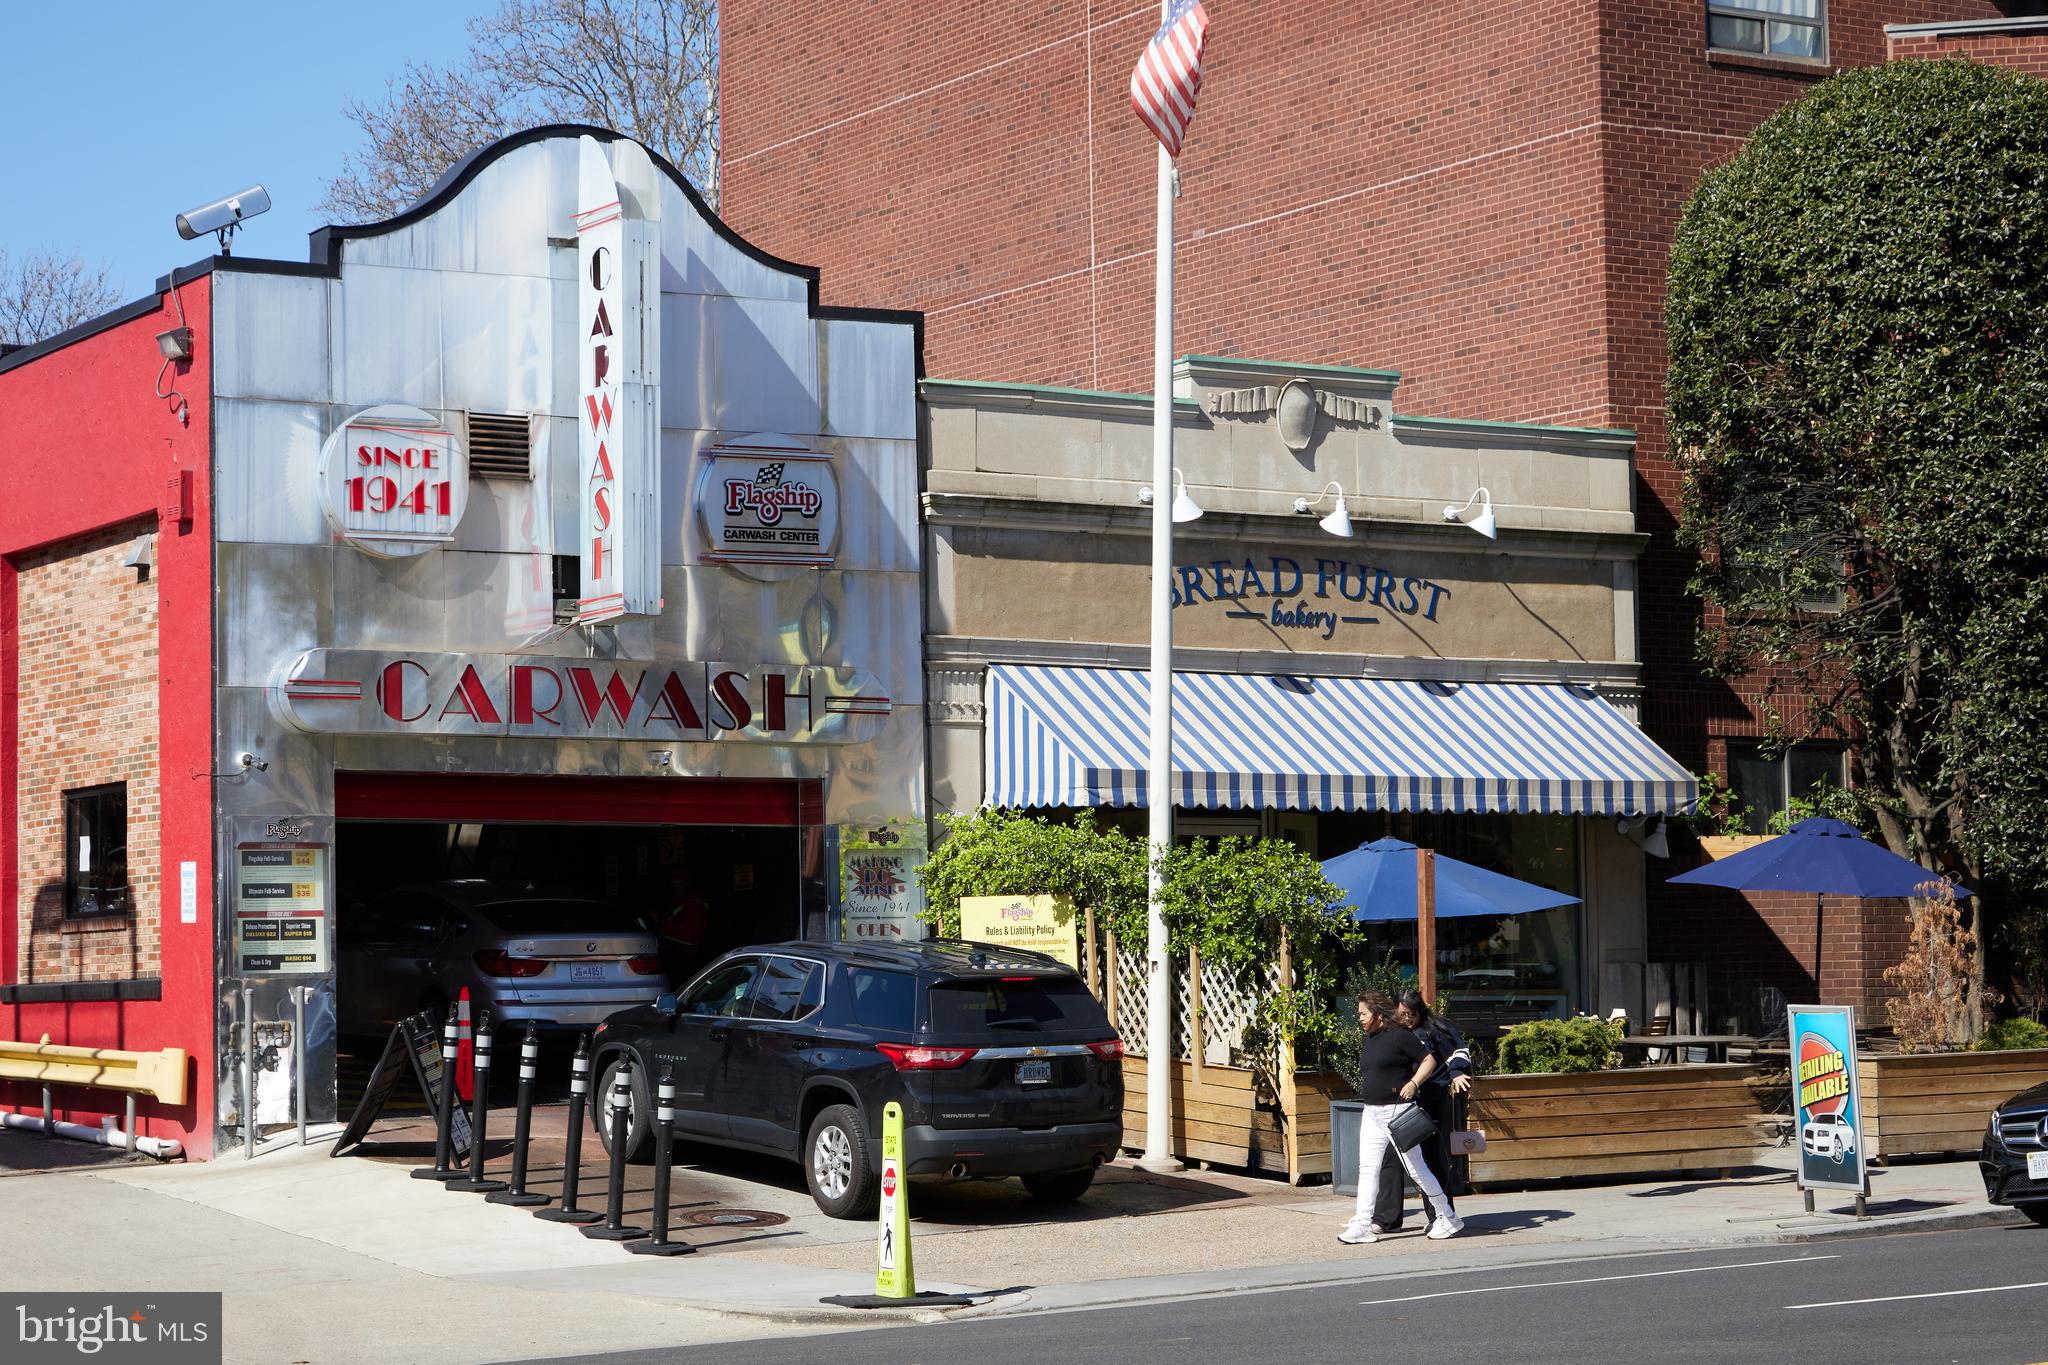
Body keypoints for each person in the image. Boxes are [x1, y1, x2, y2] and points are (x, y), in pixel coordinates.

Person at [1341, 990, 1463, 1245]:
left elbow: (1428, 1059)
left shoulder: (1399, 1035)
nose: (1360, 1018)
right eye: (1359, 1014)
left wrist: (1414, 1083)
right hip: (1372, 1112)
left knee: (1416, 1168)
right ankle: (1363, 1223)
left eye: (1363, 1013)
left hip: (1397, 1111)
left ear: (1377, 1013)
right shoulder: (1370, 1037)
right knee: (1368, 1169)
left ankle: (1447, 1215)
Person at [1371, 988, 1473, 1230]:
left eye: (1412, 1014)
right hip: (1398, 1102)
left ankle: (1439, 1216)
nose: (1408, 1019)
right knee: (1391, 1158)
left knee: (1430, 1159)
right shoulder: (1390, 1031)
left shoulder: (1435, 1028)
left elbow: (1457, 1051)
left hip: (1430, 1101)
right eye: (1403, 1013)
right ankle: (1386, 1219)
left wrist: (1457, 1073)